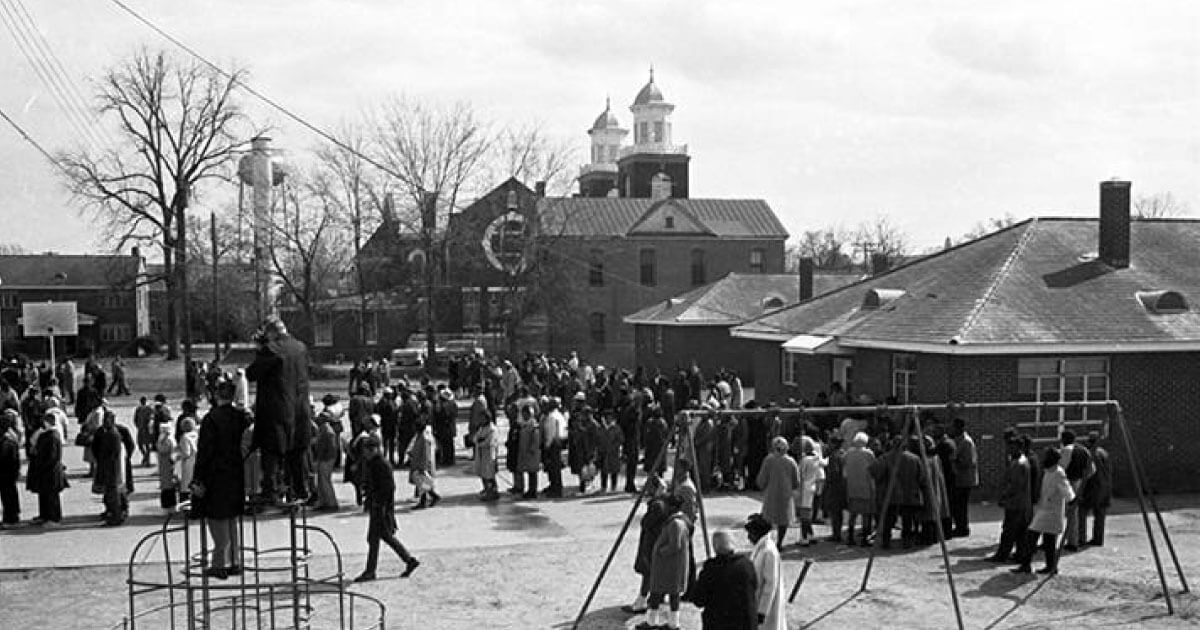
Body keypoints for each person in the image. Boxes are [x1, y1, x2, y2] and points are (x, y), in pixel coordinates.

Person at [246, 317, 313, 504]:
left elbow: (252, 373)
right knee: (297, 452)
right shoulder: (300, 347)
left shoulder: (271, 349)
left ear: (270, 333)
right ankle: (300, 489)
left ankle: (270, 490)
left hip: (277, 410)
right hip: (299, 408)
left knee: (271, 451)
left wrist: (260, 349)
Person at [191, 381, 250, 578]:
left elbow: (205, 451)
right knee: (232, 519)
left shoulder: (212, 419)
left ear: (217, 396)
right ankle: (235, 560)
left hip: (216, 473)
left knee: (217, 519)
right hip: (236, 472)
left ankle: (219, 563)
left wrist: (198, 477)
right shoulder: (241, 417)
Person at [353, 436, 420, 582]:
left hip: (380, 508)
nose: (365, 453)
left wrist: (380, 504)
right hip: (378, 506)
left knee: (375, 538)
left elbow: (388, 488)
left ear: (374, 449)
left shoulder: (381, 465)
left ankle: (371, 571)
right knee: (382, 537)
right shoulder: (374, 463)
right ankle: (409, 560)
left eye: (368, 450)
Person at [1013, 447, 1074, 575]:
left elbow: (1066, 488)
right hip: (1044, 509)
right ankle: (1048, 566)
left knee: (1034, 537)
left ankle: (1031, 565)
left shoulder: (1058, 473)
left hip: (1052, 512)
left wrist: (1072, 499)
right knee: (1047, 540)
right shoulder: (1048, 472)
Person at [640, 494, 692, 630]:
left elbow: (674, 545)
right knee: (673, 593)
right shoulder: (681, 521)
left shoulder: (675, 523)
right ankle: (673, 623)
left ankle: (652, 622)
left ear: (673, 507)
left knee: (656, 592)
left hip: (668, 565)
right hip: (673, 565)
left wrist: (660, 551)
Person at [690, 530, 757, 630]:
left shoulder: (711, 568)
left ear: (715, 547)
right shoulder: (747, 565)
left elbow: (699, 599)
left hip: (719, 623)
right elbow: (754, 587)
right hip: (745, 623)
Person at [989, 437, 1032, 563]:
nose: (1009, 449)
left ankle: (1002, 555)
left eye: (1012, 447)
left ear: (1019, 448)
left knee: (1009, 530)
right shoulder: (1021, 461)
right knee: (1020, 531)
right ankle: (1020, 554)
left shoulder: (1019, 464)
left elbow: (1014, 485)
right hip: (1021, 502)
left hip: (1015, 502)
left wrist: (1004, 496)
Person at [91, 407, 134, 525]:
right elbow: (95, 446)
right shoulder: (101, 431)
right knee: (109, 490)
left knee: (118, 489)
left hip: (117, 464)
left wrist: (126, 458)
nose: (105, 421)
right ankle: (110, 510)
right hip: (106, 464)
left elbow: (130, 445)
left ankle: (120, 510)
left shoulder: (118, 431)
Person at [756, 436, 801, 549]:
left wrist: (761, 485)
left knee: (768, 518)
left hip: (771, 494)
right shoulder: (791, 462)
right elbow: (796, 481)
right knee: (783, 520)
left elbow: (762, 479)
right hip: (786, 495)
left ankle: (767, 542)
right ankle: (779, 542)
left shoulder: (769, 460)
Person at [745, 512, 786, 630]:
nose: (748, 537)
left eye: (750, 533)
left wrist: (762, 611)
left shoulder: (768, 551)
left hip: (767, 605)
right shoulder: (760, 548)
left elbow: (770, 583)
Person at [27, 413, 68, 525]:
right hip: (44, 470)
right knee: (44, 494)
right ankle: (44, 515)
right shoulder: (46, 434)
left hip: (51, 470)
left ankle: (54, 518)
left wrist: (42, 465)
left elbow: (52, 456)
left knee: (52, 495)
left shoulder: (53, 436)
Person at [1060, 430, 1094, 552]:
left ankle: (1072, 542)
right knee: (1076, 511)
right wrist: (1083, 480)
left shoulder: (1066, 450)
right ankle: (1077, 539)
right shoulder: (1084, 450)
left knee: (1070, 511)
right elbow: (1092, 469)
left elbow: (1061, 468)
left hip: (1069, 482)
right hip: (1080, 482)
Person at [1080, 431, 1111, 547]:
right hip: (1105, 487)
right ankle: (1098, 539)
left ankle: (1081, 538)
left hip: (1092, 487)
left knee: (1082, 511)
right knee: (1100, 515)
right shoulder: (1104, 453)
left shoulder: (1090, 453)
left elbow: (1089, 471)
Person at [949, 417, 979, 538]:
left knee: (961, 505)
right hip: (960, 478)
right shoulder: (959, 440)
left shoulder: (966, 442)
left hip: (965, 479)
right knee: (958, 505)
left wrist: (954, 461)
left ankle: (962, 528)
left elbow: (969, 461)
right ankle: (960, 526)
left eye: (954, 427)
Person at [311, 405, 341, 511]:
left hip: (326, 459)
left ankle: (331, 503)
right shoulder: (323, 429)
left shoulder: (328, 431)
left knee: (325, 481)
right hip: (324, 458)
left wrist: (322, 457)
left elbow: (330, 447)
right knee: (321, 481)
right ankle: (323, 501)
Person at [407, 422, 440, 509]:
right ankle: (425, 500)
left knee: (422, 484)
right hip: (417, 463)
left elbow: (425, 454)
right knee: (421, 484)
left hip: (421, 465)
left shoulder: (424, 438)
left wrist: (423, 467)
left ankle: (433, 496)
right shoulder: (419, 437)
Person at [472, 409, 500, 502]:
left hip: (489, 454)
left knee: (489, 474)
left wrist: (481, 442)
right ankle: (486, 489)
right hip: (481, 454)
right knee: (483, 473)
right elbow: (475, 438)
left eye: (483, 418)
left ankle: (492, 491)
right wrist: (479, 441)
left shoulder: (492, 429)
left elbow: (490, 441)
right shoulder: (482, 428)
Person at [0, 411, 22, 526]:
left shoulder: (7, 441)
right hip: (8, 472)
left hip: (7, 473)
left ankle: (11, 518)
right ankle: (11, 517)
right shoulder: (9, 438)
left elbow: (9, 458)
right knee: (8, 495)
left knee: (8, 496)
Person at [175, 417, 199, 503]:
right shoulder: (197, 435)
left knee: (186, 486)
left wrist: (178, 456)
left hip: (188, 463)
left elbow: (186, 453)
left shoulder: (184, 437)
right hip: (197, 461)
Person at [133, 396, 155, 467]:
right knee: (140, 444)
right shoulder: (138, 409)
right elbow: (135, 418)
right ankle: (145, 456)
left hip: (147, 429)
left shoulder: (149, 409)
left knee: (147, 445)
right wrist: (138, 425)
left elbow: (152, 418)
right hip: (140, 428)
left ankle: (147, 460)